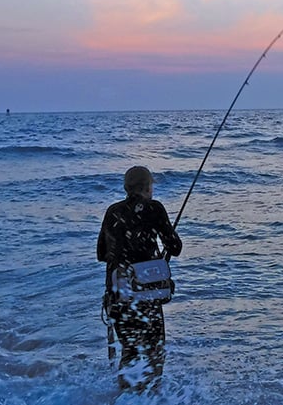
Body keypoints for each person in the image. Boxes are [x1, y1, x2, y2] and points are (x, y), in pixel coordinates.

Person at [97, 165, 183, 393]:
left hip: (118, 293)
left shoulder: (112, 211)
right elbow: (175, 247)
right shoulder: (154, 208)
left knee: (129, 351)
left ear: (127, 188)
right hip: (146, 293)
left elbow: (101, 254)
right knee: (154, 350)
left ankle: (125, 395)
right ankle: (153, 396)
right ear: (147, 187)